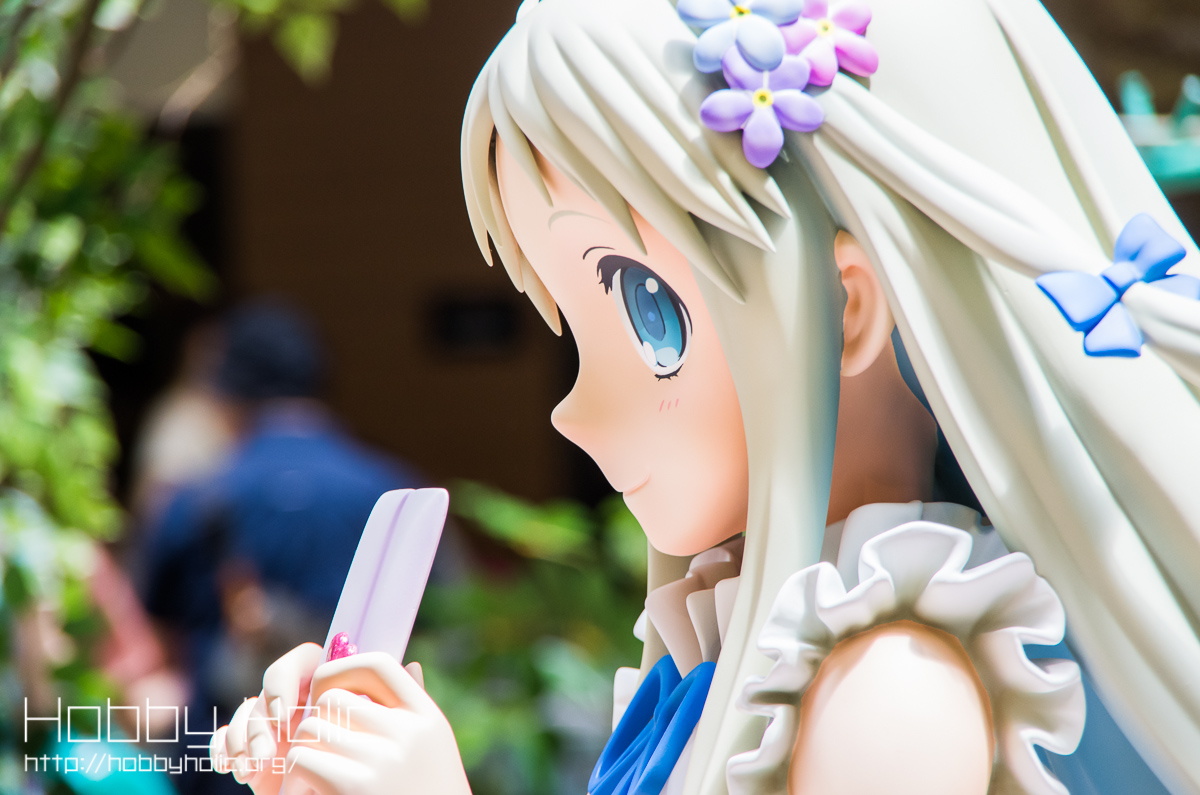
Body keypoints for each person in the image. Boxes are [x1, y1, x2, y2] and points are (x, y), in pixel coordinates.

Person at [211, 0, 1200, 793]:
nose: (571, 412)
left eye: (648, 313)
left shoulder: (895, 694)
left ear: (848, 309)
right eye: (572, 327)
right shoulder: (738, 659)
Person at [142, 301, 419, 792]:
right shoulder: (393, 495)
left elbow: (161, 648)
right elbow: (442, 622)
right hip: (347, 768)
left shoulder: (194, 500)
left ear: (226, 394)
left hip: (224, 766)